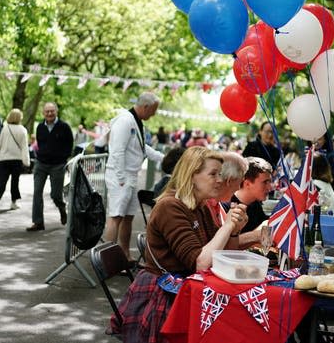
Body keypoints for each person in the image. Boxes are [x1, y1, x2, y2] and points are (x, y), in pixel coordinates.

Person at [111, 147, 249, 342]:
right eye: (213, 174)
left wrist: (234, 230)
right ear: (192, 175)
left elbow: (224, 257)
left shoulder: (200, 206)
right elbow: (201, 264)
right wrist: (227, 227)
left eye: (220, 173)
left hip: (188, 289)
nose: (220, 179)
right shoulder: (170, 206)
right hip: (166, 296)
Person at [104, 92, 164, 261]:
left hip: (130, 175)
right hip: (120, 176)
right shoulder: (125, 120)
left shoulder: (137, 121)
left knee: (128, 217)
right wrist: (121, 179)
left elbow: (142, 147)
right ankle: (109, 260)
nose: (154, 113)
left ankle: (124, 254)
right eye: (153, 110)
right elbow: (117, 151)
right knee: (116, 217)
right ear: (146, 106)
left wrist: (163, 157)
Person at [27, 102, 74, 231]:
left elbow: (70, 145)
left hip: (58, 165)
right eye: (47, 111)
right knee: (37, 192)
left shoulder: (64, 127)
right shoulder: (40, 127)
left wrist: (64, 159)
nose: (49, 113)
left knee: (56, 195)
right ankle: (38, 222)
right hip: (41, 164)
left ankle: (62, 209)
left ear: (56, 112)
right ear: (43, 113)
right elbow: (40, 144)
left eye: (52, 111)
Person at [0, 108, 30, 211]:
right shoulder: (23, 130)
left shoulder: (5, 129)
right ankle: (14, 203)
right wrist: (26, 161)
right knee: (15, 182)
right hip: (17, 160)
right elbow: (24, 147)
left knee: (1, 180)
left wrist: (0, 153)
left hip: (4, 159)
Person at [232, 156, 273, 233]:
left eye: (270, 182)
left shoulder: (255, 204)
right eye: (265, 182)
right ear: (247, 184)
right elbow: (228, 242)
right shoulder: (228, 206)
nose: (270, 188)